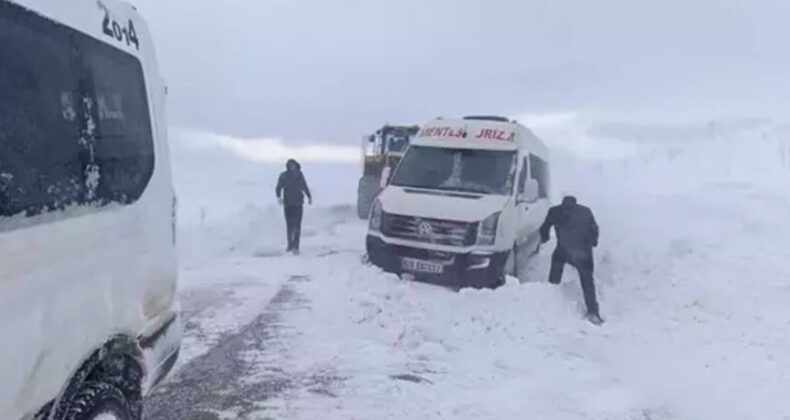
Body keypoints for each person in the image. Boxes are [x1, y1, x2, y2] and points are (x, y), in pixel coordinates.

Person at [539, 195, 603, 325]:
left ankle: (552, 296)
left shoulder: (555, 211)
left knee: (556, 267)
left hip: (564, 250)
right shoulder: (586, 211)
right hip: (583, 252)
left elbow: (545, 226)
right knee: (587, 281)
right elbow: (594, 229)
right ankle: (593, 312)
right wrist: (593, 242)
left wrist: (544, 238)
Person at [276, 159, 312, 254]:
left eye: (294, 165)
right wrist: (279, 197)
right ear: (287, 166)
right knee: (289, 225)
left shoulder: (299, 175)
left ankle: (296, 246)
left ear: (296, 166)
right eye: (290, 165)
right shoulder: (283, 176)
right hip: (288, 204)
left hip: (298, 204)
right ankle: (290, 245)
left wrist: (309, 196)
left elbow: (304, 186)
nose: (292, 167)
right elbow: (278, 187)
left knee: (297, 226)